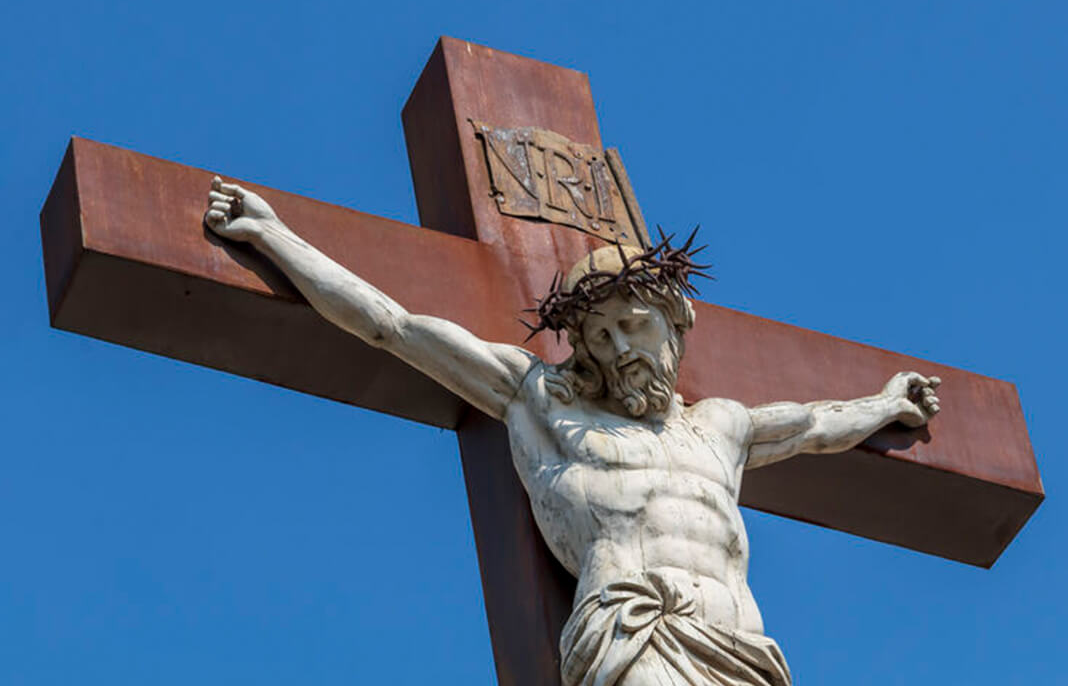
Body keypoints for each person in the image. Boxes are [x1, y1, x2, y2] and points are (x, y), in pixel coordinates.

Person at [205, 177, 941, 686]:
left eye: (634, 325)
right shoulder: (542, 402)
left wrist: (885, 402)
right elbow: (392, 327)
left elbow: (817, 424)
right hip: (639, 641)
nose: (621, 348)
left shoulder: (722, 427)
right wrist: (276, 239)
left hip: (743, 654)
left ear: (674, 325)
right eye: (601, 335)